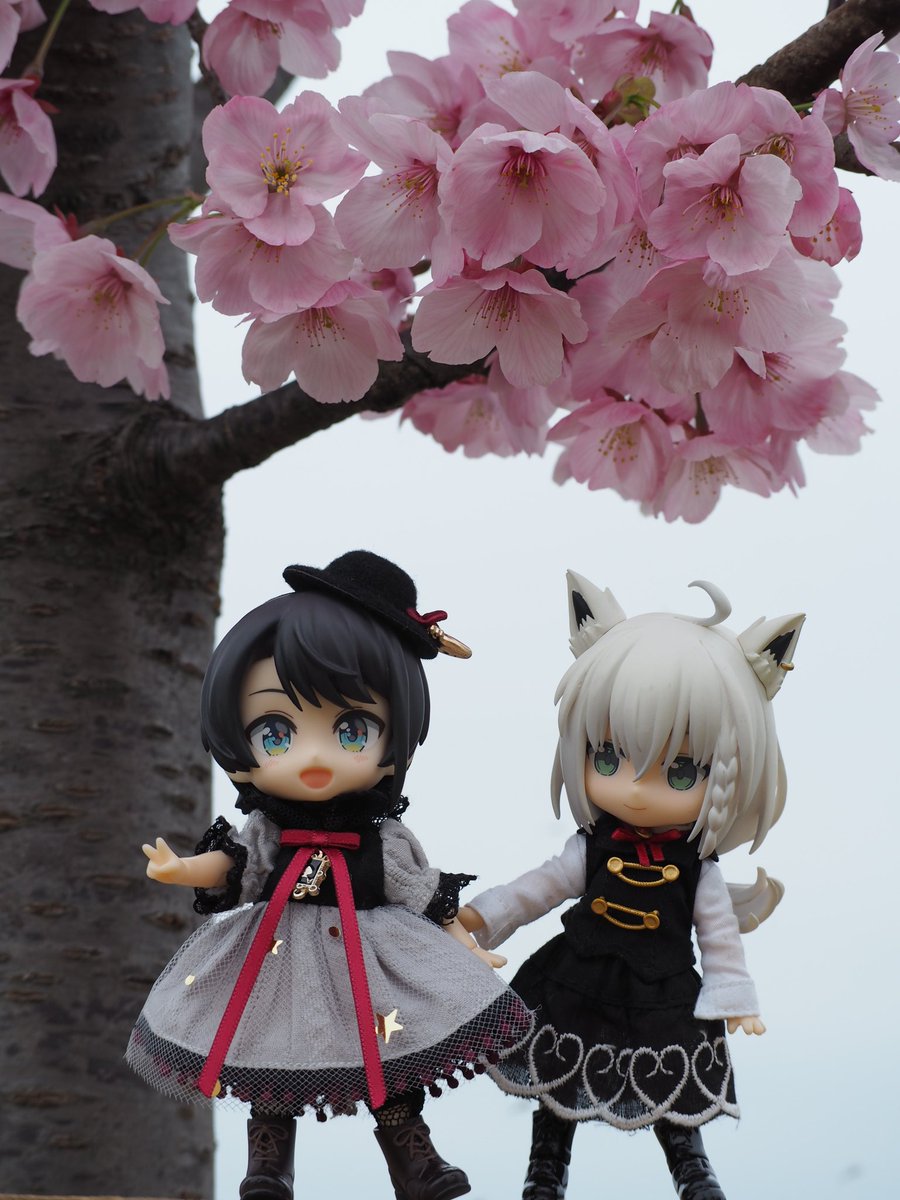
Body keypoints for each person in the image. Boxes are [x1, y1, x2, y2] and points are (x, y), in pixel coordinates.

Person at [126, 550, 531, 1200]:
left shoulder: (384, 839)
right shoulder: (269, 832)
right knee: (267, 1057)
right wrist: (181, 869)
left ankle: (413, 1158)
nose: (313, 756)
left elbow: (424, 896)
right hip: (275, 958)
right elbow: (236, 867)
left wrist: (467, 948)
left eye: (351, 730)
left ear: (393, 738)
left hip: (371, 966)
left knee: (389, 1067)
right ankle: (268, 1164)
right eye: (276, 734)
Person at [459, 572, 803, 1200]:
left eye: (680, 770)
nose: (637, 790)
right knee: (556, 1082)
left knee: (670, 1087)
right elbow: (538, 888)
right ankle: (545, 1171)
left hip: (662, 991)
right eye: (609, 759)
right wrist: (481, 917)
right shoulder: (591, 848)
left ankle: (692, 1171)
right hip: (576, 978)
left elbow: (719, 936)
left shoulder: (698, 868)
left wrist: (735, 994)